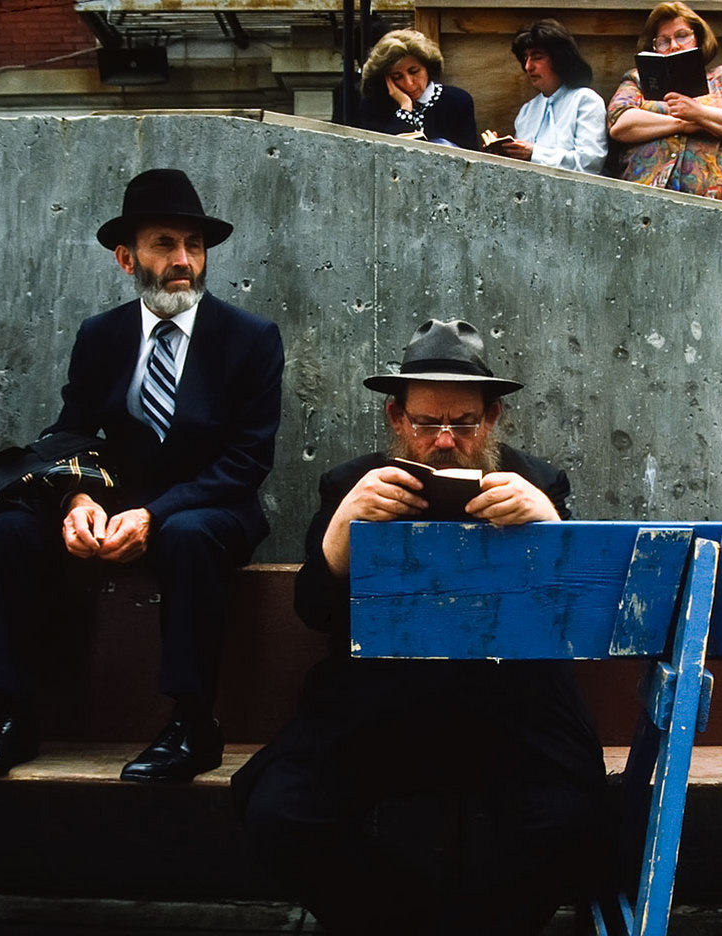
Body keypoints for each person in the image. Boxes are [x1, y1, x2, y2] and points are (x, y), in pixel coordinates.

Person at [234, 319, 609, 936]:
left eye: (462, 424)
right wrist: (341, 533)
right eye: (426, 423)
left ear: (490, 420)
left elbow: (577, 614)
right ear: (396, 419)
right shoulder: (349, 483)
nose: (443, 442)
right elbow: (314, 611)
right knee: (280, 813)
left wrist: (550, 526)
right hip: (377, 706)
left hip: (513, 707)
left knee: (571, 818)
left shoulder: (539, 482)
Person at [0, 169, 284, 783]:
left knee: (186, 536)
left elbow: (246, 460)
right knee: (9, 529)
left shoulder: (249, 337)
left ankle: (192, 723)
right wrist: (76, 497)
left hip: (215, 504)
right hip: (117, 501)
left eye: (194, 245)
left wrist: (154, 514)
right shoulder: (101, 334)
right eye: (165, 244)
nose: (183, 260)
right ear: (126, 258)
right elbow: (70, 432)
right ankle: (10, 715)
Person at [607, 2, 722, 200]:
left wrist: (699, 113)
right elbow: (619, 123)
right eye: (664, 41)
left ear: (698, 38)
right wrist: (682, 123)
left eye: (682, 36)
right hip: (647, 198)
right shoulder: (637, 79)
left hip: (718, 201)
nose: (674, 45)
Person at [488, 19, 607, 175]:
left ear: (559, 59)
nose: (528, 67)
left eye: (537, 57)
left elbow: (589, 164)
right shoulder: (527, 111)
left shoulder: (585, 101)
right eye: (525, 58)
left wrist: (534, 154)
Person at [357, 28, 479, 150]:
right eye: (397, 77)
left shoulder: (457, 101)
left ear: (428, 68)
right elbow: (377, 154)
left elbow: (472, 159)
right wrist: (405, 108)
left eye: (414, 71)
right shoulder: (374, 106)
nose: (409, 83)